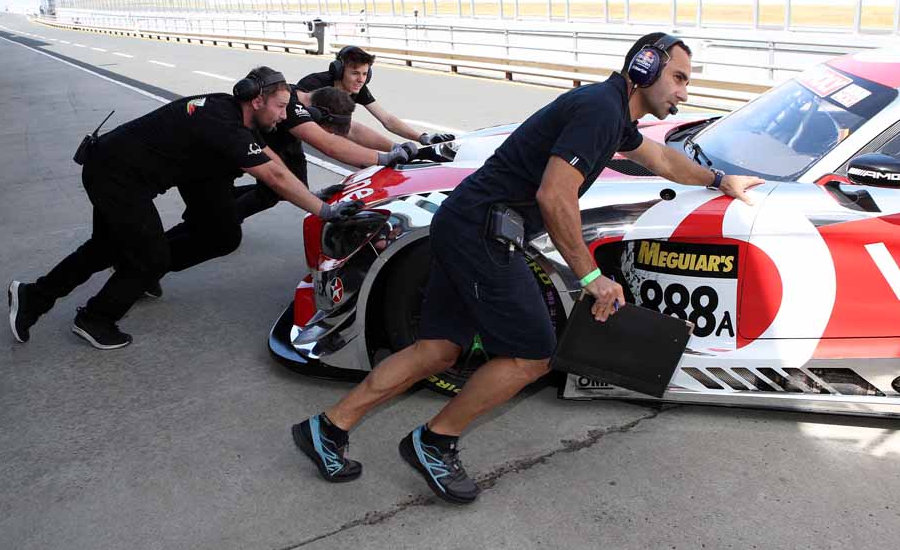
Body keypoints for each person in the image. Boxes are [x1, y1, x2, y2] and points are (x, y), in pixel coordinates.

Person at [291, 33, 765, 503]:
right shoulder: (600, 110)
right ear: (645, 68)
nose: (684, 92)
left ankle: (327, 428)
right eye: (678, 78)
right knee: (533, 354)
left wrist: (720, 179)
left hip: (465, 223)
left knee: (437, 349)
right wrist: (592, 278)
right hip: (481, 232)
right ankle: (434, 441)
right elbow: (554, 195)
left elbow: (660, 157)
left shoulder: (612, 112)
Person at [6, 67, 364, 350]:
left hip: (118, 169)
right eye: (280, 107)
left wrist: (312, 196)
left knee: (109, 247)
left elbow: (274, 163)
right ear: (257, 100)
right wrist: (324, 211)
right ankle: (95, 318)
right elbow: (274, 176)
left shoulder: (233, 113)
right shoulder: (225, 125)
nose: (285, 116)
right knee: (151, 257)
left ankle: (33, 297)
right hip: (115, 176)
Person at [230, 81, 420, 222]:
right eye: (328, 130)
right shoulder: (293, 110)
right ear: (316, 115)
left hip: (282, 141)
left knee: (293, 187)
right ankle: (226, 220)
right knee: (274, 189)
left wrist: (394, 148)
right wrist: (383, 158)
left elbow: (352, 130)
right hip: (240, 142)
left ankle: (229, 201)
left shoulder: (313, 99)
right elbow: (329, 145)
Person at [296, 46, 457, 150]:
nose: (361, 80)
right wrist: (394, 149)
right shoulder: (313, 84)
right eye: (355, 73)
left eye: (365, 74)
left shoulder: (357, 88)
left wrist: (422, 138)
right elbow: (350, 130)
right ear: (338, 71)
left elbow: (387, 119)